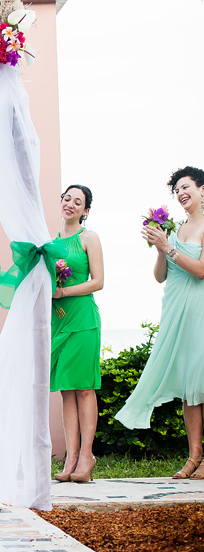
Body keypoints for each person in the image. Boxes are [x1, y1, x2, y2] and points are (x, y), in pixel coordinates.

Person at [116, 166, 204, 479]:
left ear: (202, 189)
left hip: (200, 310)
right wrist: (160, 249)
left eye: (186, 186)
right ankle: (194, 457)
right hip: (176, 312)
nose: (181, 193)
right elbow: (160, 276)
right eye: (176, 189)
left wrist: (169, 248)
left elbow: (201, 270)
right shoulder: (177, 229)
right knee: (189, 390)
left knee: (202, 382)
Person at [50, 185, 104, 483]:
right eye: (67, 198)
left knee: (83, 388)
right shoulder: (51, 243)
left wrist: (63, 291)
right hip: (57, 321)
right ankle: (70, 456)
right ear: (61, 203)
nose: (70, 204)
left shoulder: (89, 238)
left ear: (85, 211)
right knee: (66, 389)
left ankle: (87, 455)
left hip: (83, 319)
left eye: (78, 202)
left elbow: (98, 281)